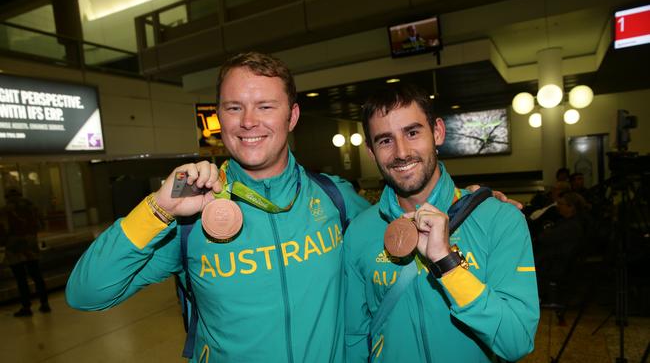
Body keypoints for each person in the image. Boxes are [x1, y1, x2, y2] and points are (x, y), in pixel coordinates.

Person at [65, 52, 371, 362]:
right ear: (219, 117)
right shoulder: (189, 214)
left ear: (291, 117)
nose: (248, 122)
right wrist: (159, 207)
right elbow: (86, 293)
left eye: (265, 107)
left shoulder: (335, 198)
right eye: (234, 107)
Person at [344, 84, 539, 362]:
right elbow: (354, 337)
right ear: (371, 151)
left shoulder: (500, 220)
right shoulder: (359, 233)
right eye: (385, 140)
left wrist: (448, 264)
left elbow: (516, 340)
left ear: (437, 132)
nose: (401, 152)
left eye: (412, 133)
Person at [0, 188, 50, 317]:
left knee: (21, 279)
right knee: (37, 276)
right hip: (31, 247)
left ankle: (26, 307)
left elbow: (3, 231)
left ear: (7, 196)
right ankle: (45, 304)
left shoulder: (5, 210)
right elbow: (41, 225)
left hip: (14, 249)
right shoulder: (32, 207)